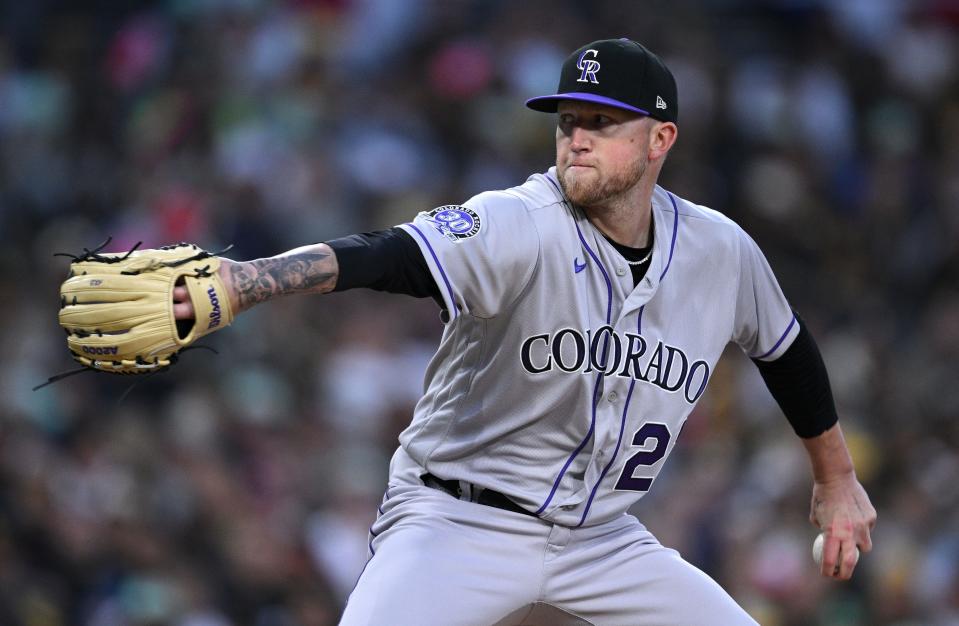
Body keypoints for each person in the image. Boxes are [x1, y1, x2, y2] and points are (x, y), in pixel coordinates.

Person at [173, 38, 876, 626]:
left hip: (602, 537)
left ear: (660, 139)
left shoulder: (719, 252)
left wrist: (836, 477)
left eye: (602, 123)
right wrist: (242, 282)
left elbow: (785, 352)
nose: (576, 138)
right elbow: (387, 254)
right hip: (457, 519)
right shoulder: (519, 221)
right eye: (568, 120)